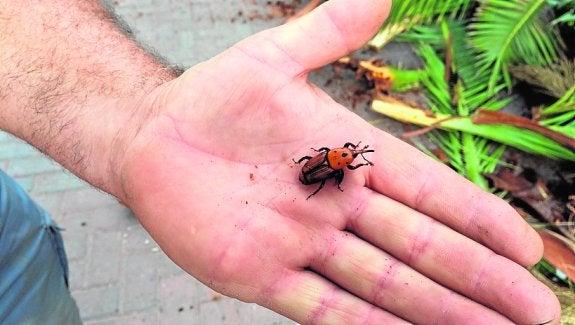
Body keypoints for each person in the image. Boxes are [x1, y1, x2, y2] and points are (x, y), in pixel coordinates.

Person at [0, 0, 562, 324]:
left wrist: (134, 116)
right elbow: (327, 165)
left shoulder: (336, 161)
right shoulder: (333, 163)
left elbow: (330, 163)